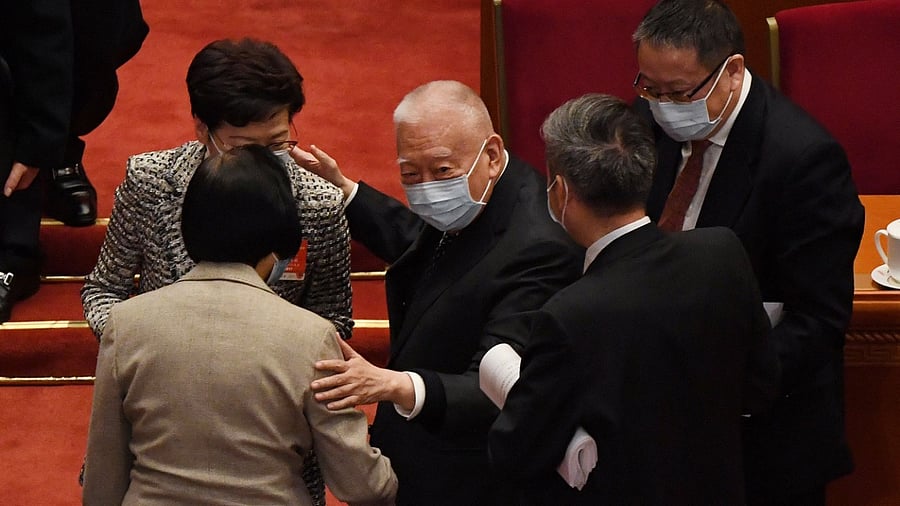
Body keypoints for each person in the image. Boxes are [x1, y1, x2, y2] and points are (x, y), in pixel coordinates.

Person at [80, 38, 352, 505]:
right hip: (161, 437)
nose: (269, 160)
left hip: (271, 447)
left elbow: (335, 320)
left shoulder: (319, 205)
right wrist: (147, 341)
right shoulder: (151, 182)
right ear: (203, 128)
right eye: (247, 147)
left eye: (279, 143)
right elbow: (104, 289)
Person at [488, 93, 779, 505]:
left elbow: (517, 452)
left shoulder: (570, 316)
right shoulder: (723, 252)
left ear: (561, 193)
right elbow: (761, 386)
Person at [302, 80, 583, 505]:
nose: (426, 188)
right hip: (423, 455)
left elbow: (501, 387)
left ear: (490, 155)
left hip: (470, 477)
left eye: (441, 171)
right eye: (410, 174)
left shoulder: (539, 246)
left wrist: (396, 385)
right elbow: (432, 250)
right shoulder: (482, 193)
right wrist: (347, 192)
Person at [630, 1, 865, 504]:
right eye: (650, 88)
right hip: (658, 416)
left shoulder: (805, 161)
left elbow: (818, 322)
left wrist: (711, 385)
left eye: (677, 92)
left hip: (760, 432)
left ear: (732, 71)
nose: (661, 105)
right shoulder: (654, 112)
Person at [81, 145, 397, 506]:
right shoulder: (311, 336)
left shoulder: (126, 323)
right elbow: (361, 484)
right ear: (281, 240)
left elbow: (104, 468)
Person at [0, 0, 147, 323]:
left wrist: (42, 141)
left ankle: (13, 256)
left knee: (89, 41)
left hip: (78, 21)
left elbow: (41, 31)